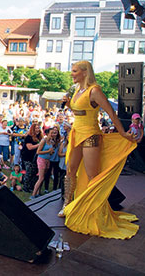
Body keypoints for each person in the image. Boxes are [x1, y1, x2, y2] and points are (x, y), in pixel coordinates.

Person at [59, 60, 138, 239]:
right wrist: (69, 104)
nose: (72, 74)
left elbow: (111, 113)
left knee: (92, 175)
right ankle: (67, 204)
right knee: (71, 171)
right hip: (76, 133)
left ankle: (91, 209)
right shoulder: (76, 90)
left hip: (91, 135)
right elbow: (79, 111)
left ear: (85, 72)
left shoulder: (94, 91)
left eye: (74, 71)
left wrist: (123, 133)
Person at [31, 128, 58, 199]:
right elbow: (38, 152)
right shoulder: (43, 141)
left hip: (47, 160)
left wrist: (51, 152)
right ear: (47, 134)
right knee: (41, 178)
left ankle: (38, 192)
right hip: (41, 160)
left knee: (43, 177)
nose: (53, 135)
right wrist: (48, 151)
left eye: (54, 133)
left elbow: (50, 151)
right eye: (51, 133)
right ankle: (33, 194)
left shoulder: (52, 142)